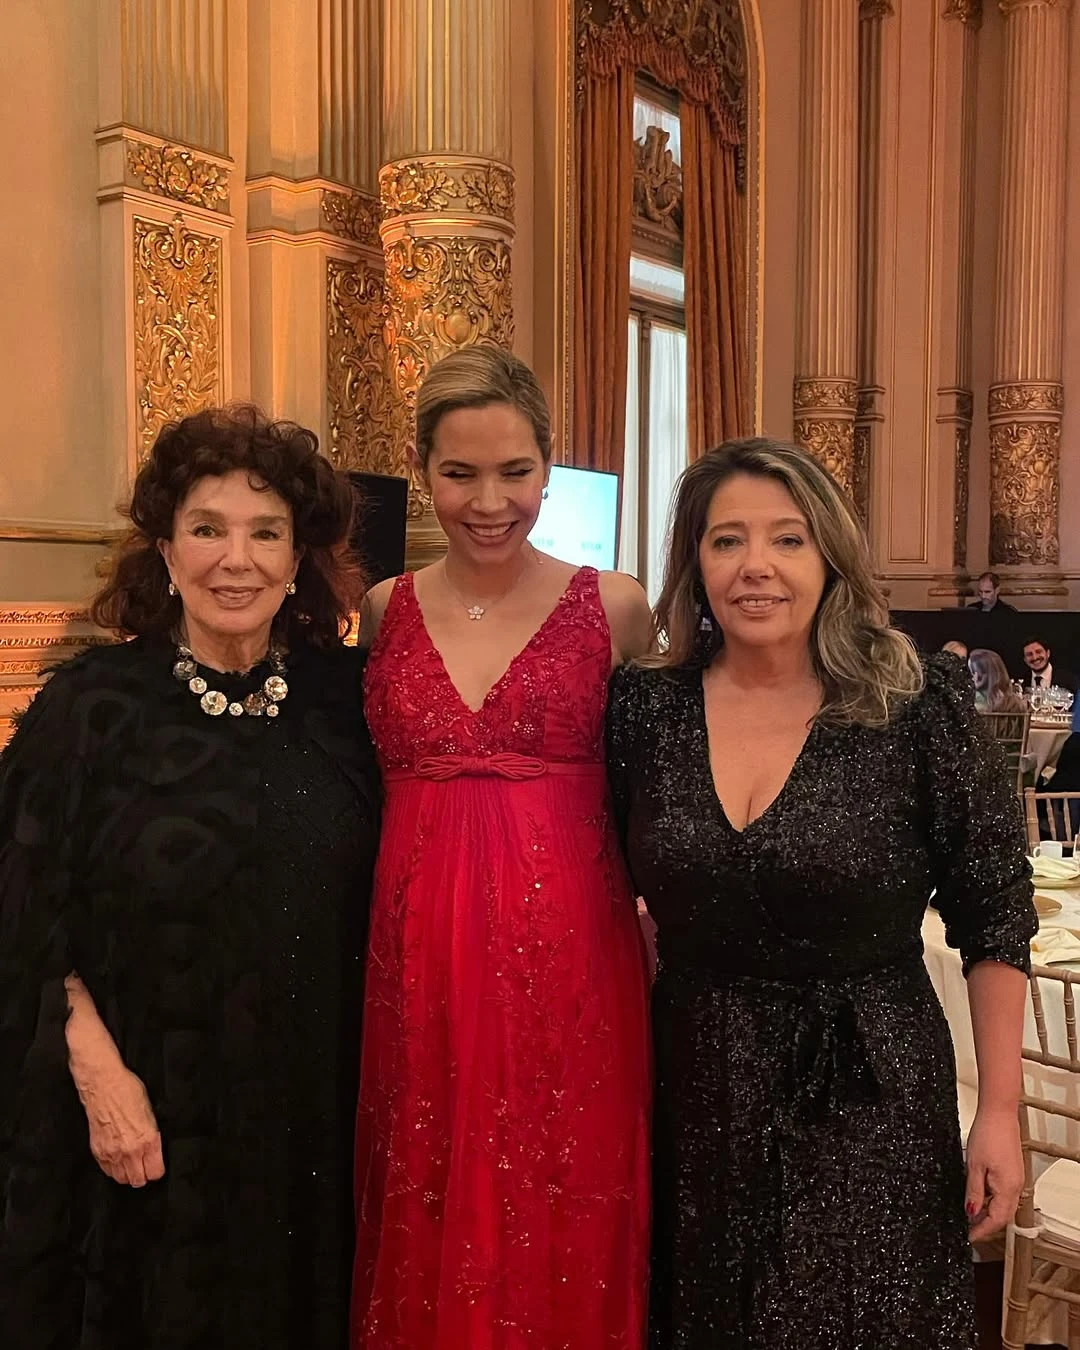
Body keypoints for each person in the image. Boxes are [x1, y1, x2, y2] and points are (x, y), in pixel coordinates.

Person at [606, 437, 1035, 1349]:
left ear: (831, 557)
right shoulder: (646, 708)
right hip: (698, 1081)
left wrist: (1000, 1111)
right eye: (726, 541)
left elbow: (994, 911)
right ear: (694, 561)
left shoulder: (912, 701)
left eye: (787, 540)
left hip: (871, 1083)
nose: (755, 567)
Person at [0, 406, 380, 1350]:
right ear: (165, 551)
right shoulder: (89, 710)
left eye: (266, 532)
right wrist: (97, 1078)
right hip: (142, 1118)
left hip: (310, 1122)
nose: (235, 559)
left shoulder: (351, 704)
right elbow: (18, 917)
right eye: (207, 529)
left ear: (300, 559)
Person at [352, 346, 653, 1349]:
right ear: (419, 465)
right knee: (428, 1193)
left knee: (561, 1199)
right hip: (418, 972)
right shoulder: (383, 612)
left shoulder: (615, 606)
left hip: (569, 967)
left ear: (550, 466)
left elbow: (667, 785)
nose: (489, 501)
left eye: (515, 471)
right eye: (459, 472)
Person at [968, 648, 1026, 713]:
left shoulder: (972, 704)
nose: (969, 677)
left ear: (979, 676)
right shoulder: (1016, 703)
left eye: (971, 672)